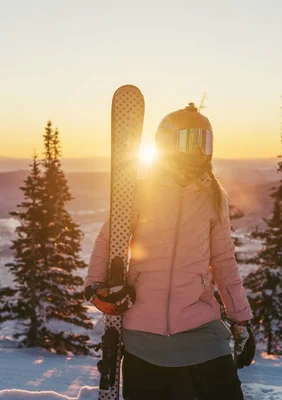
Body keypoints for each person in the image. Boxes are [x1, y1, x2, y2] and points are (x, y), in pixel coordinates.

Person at [84, 102, 255, 400]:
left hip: (201, 328)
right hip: (143, 333)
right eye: (192, 141)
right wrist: (95, 285)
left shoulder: (213, 197)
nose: (200, 151)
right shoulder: (138, 192)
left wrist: (240, 320)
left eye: (206, 142)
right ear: (167, 144)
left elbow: (224, 261)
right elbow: (108, 239)